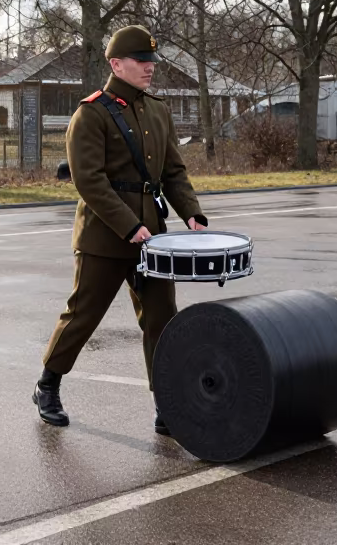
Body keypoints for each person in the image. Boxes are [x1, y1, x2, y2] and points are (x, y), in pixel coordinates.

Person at [34, 25, 207, 433]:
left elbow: (173, 171)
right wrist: (129, 227)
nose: (149, 68)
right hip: (104, 235)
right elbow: (89, 181)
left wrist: (192, 212)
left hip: (152, 235)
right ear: (116, 64)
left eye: (151, 61)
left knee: (162, 318)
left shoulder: (157, 110)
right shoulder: (91, 113)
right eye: (141, 61)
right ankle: (48, 385)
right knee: (84, 315)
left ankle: (166, 401)